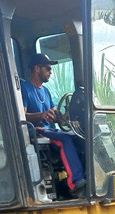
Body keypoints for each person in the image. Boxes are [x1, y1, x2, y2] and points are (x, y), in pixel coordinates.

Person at [21, 53, 86, 196]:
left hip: (49, 130)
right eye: (48, 69)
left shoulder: (46, 91)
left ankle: (86, 177)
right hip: (35, 130)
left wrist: (62, 117)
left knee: (79, 138)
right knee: (64, 140)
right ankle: (75, 183)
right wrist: (41, 115)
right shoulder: (24, 88)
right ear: (37, 69)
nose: (51, 72)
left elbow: (53, 113)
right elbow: (21, 116)